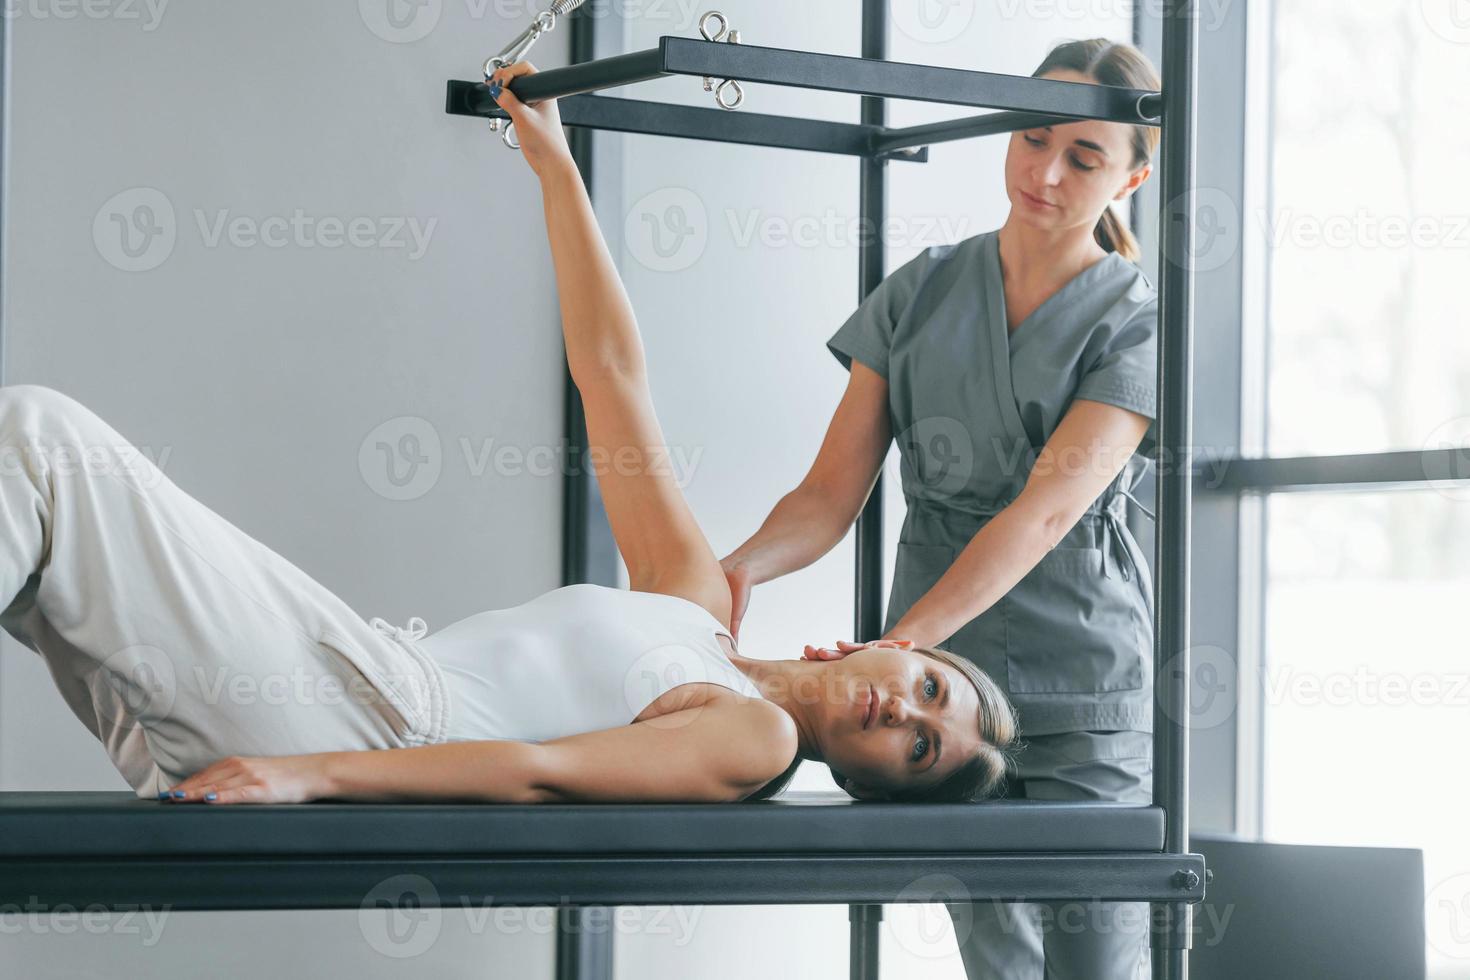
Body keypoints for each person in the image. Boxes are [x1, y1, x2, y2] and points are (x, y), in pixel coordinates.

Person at [0, 60, 1019, 809]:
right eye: (930, 687)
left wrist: (308, 772)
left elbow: (537, 770)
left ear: (872, 778)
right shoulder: (694, 603)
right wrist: (555, 165)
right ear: (889, 648)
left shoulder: (752, 738)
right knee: (36, 500)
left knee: (41, 443)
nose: (908, 714)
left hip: (365, 722)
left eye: (921, 749)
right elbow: (613, 377)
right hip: (347, 683)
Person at [720, 38, 1163, 980]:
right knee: (995, 963)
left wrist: (902, 647)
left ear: (1133, 175)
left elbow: (1044, 513)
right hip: (936, 715)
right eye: (1033, 137)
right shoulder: (919, 292)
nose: (1044, 173)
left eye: (1084, 157)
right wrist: (738, 571)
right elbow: (828, 493)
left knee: (1103, 965)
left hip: (1081, 683)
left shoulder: (1138, 319)